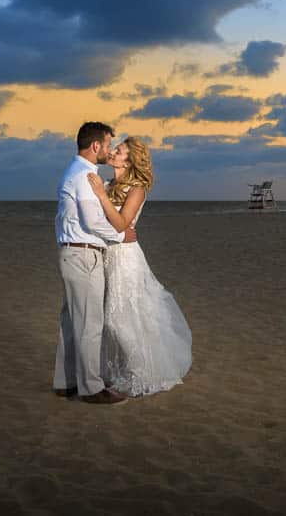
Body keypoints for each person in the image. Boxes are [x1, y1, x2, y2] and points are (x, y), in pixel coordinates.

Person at [86, 137, 192, 397]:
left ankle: (141, 373)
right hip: (105, 255)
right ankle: (122, 369)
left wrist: (100, 194)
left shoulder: (138, 189)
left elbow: (122, 223)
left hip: (126, 257)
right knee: (112, 316)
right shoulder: (110, 184)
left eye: (119, 151)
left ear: (130, 160)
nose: (112, 153)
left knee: (119, 318)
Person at [53, 122, 137, 405]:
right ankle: (90, 388)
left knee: (71, 321)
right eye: (109, 144)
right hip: (83, 254)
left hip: (72, 253)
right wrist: (120, 233)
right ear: (96, 146)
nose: (110, 150)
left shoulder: (75, 171)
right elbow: (92, 221)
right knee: (89, 324)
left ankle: (66, 382)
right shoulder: (86, 175)